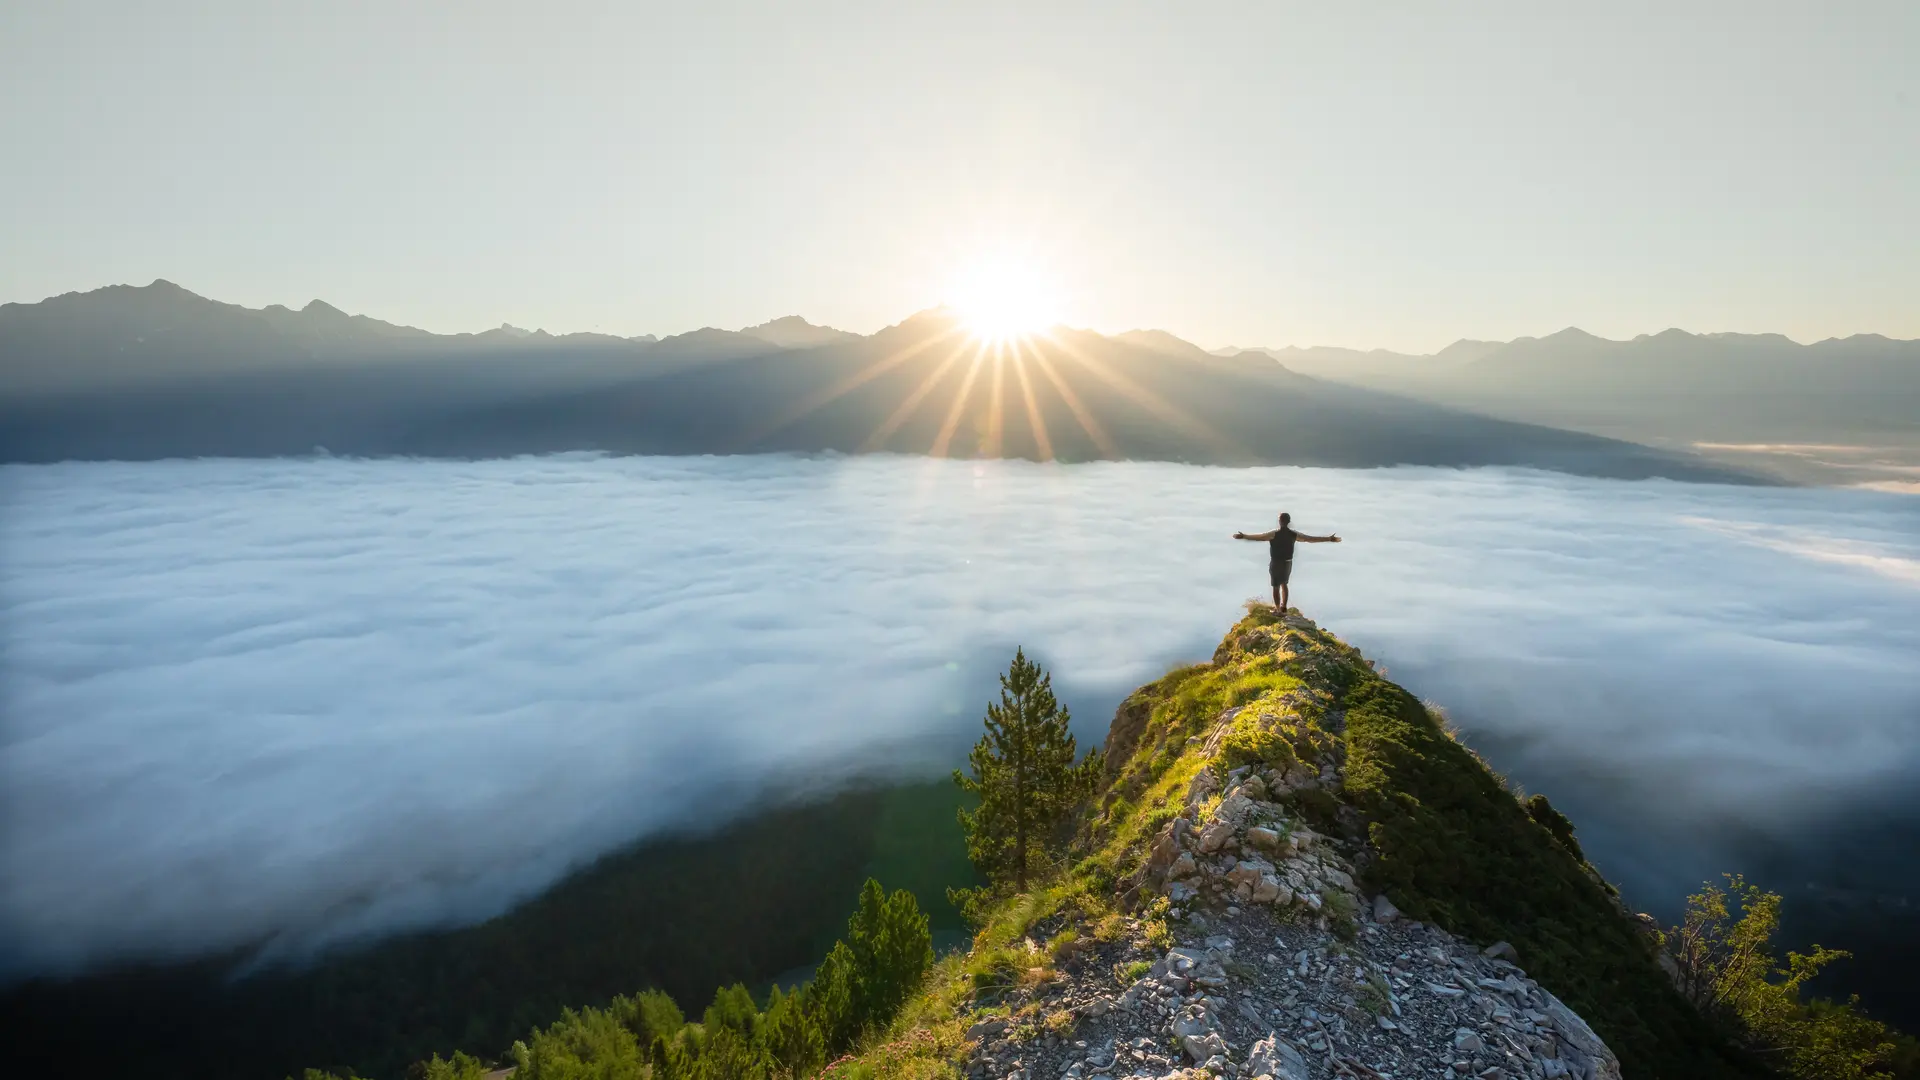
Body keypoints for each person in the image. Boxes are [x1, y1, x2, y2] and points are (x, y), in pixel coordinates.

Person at [1232, 511, 1340, 613]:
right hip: (1287, 562)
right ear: (1288, 522)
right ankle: (1283, 607)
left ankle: (1278, 609)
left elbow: (1260, 537)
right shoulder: (1293, 534)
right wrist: (1329, 539)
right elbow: (1310, 539)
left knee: (1275, 586)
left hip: (1276, 562)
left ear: (1280, 521)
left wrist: (1244, 536)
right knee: (1284, 584)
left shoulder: (1274, 534)